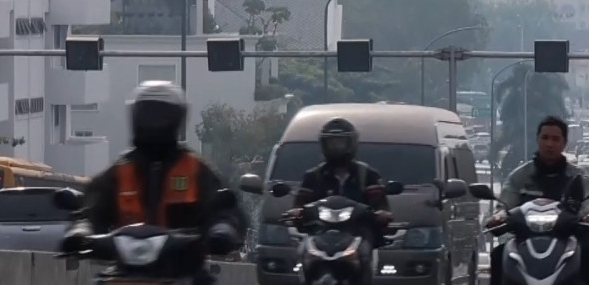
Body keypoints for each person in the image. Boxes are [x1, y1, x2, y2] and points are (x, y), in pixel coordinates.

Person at [60, 81, 248, 285]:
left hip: (183, 272)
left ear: (177, 118)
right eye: (148, 114)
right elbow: (91, 208)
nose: (154, 121)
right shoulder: (119, 171)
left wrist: (222, 229)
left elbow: (224, 208)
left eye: (161, 115)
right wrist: (80, 230)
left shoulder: (195, 169)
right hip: (124, 272)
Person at [487, 116, 589, 285]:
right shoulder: (519, 177)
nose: (550, 144)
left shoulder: (579, 177)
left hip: (568, 240)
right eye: (545, 138)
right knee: (499, 254)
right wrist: (498, 217)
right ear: (538, 140)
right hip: (524, 242)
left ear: (564, 143)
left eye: (556, 139)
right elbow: (505, 204)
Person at [292, 117, 392, 241]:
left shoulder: (367, 175)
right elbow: (299, 205)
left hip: (358, 237)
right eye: (331, 142)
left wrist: (381, 214)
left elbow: (381, 207)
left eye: (340, 142)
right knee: (302, 253)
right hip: (319, 237)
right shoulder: (312, 176)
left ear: (351, 143)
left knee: (366, 253)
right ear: (324, 144)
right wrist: (296, 212)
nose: (335, 147)